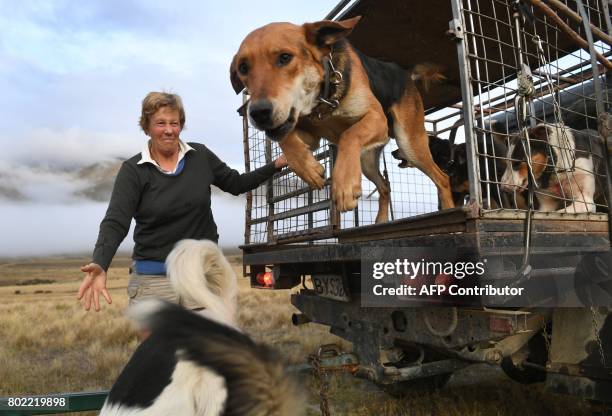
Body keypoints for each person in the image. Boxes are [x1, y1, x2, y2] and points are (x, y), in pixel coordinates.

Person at [77, 92, 287, 311]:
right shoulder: (133, 170)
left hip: (203, 277)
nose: (169, 130)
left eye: (174, 123)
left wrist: (276, 165)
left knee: (204, 344)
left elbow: (236, 184)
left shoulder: (201, 156)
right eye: (160, 123)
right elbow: (115, 221)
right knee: (158, 346)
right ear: (147, 127)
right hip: (154, 281)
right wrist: (101, 262)